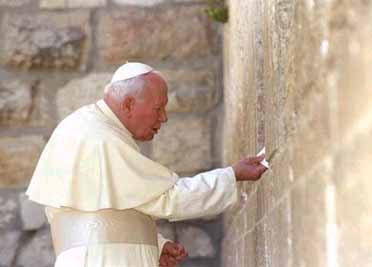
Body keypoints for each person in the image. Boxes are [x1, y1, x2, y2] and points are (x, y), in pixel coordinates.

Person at [26, 62, 267, 267]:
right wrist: (232, 176)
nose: (164, 117)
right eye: (158, 108)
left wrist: (155, 244)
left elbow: (103, 213)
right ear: (129, 104)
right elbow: (167, 198)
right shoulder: (101, 138)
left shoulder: (89, 127)